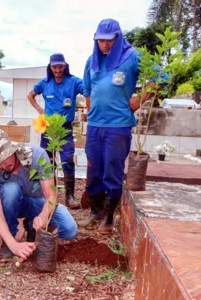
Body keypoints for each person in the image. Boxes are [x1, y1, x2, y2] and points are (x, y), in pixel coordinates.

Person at [78, 19, 156, 234]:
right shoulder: (91, 60)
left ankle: (109, 217)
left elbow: (159, 78)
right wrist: (91, 108)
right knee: (94, 168)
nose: (104, 44)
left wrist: (139, 100)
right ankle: (95, 212)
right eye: (100, 40)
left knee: (112, 169)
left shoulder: (132, 57)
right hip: (95, 126)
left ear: (118, 37)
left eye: (108, 40)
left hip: (118, 125)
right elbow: (87, 88)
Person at [0, 130, 77, 259]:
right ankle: (9, 237)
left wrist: (43, 216)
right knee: (10, 190)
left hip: (38, 203)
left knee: (69, 230)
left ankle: (32, 225)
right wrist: (13, 244)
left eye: (5, 157)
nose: (4, 165)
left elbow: (51, 196)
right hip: (13, 205)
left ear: (13, 150)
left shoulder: (37, 155)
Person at [27, 53, 84, 209]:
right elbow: (30, 95)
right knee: (48, 161)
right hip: (48, 129)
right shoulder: (44, 83)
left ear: (65, 66)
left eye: (60, 66)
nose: (57, 69)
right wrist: (40, 110)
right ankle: (49, 195)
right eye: (54, 67)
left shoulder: (74, 82)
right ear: (50, 67)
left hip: (65, 128)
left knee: (67, 160)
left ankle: (70, 197)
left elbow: (88, 89)